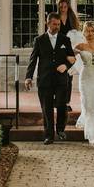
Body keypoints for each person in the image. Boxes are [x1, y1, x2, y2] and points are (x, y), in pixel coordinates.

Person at [25, 13, 76, 145]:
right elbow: (33, 60)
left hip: (61, 80)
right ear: (48, 24)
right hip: (44, 79)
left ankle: (60, 129)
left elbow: (72, 58)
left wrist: (66, 65)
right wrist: (28, 77)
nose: (57, 26)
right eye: (54, 24)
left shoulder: (65, 40)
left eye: (59, 24)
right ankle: (49, 135)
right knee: (46, 109)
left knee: (61, 106)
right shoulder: (39, 40)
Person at [57, 0, 79, 109]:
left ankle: (67, 103)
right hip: (59, 51)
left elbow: (77, 34)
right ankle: (59, 101)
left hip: (70, 52)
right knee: (59, 77)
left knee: (69, 77)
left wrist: (75, 49)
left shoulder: (72, 18)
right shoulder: (56, 18)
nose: (63, 9)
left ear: (68, 6)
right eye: (61, 7)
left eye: (65, 7)